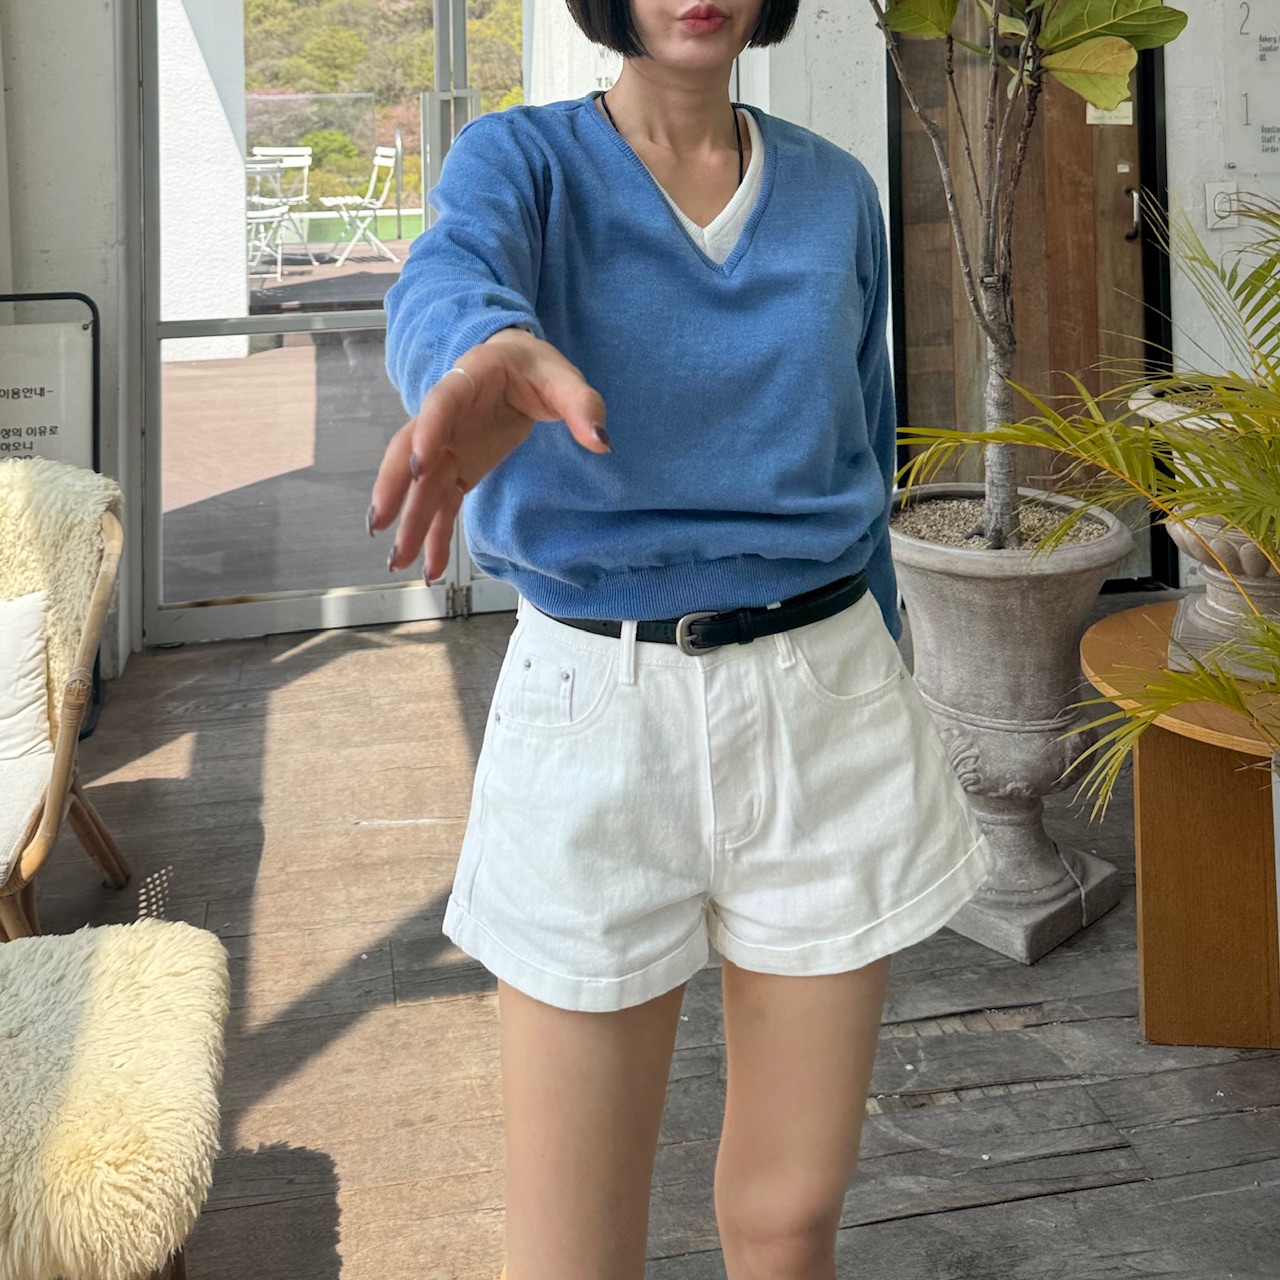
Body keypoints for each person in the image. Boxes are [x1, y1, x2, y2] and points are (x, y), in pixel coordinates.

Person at [371, 2, 992, 1276]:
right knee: (572, 1250)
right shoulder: (523, 161)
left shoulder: (835, 192)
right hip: (597, 707)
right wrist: (483, 346)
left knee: (789, 1219)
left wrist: (890, 676)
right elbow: (446, 275)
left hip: (828, 699)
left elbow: (861, 448)